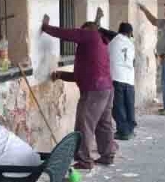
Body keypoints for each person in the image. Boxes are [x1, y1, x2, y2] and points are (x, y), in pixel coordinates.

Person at [40, 13, 115, 168]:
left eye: (82, 31)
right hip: (106, 88)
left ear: (88, 29)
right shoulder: (101, 43)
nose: (80, 36)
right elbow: (84, 74)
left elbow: (67, 34)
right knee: (104, 124)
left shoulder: (91, 35)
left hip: (94, 90)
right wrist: (62, 75)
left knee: (84, 125)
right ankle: (107, 154)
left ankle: (85, 160)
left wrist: (46, 27)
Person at [97, 21, 137, 140]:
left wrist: (99, 27)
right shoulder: (131, 43)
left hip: (116, 77)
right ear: (130, 33)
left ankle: (123, 131)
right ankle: (130, 129)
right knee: (129, 104)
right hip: (129, 79)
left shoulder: (114, 41)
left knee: (118, 106)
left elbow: (109, 34)